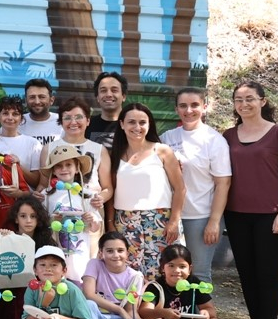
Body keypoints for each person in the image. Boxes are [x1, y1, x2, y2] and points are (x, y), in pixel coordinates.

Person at [222, 80, 278, 319]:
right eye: (239, 99)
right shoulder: (228, 136)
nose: (244, 104)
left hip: (270, 215)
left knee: (266, 274)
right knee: (247, 274)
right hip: (237, 214)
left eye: (250, 98)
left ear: (262, 101)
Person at [100, 103, 185, 281]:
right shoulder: (115, 155)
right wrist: (110, 223)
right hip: (126, 222)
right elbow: (112, 192)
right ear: (122, 124)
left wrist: (174, 220)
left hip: (160, 221)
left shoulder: (162, 151)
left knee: (166, 271)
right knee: (131, 274)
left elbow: (180, 188)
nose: (137, 127)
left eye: (142, 122)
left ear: (149, 124)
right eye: (131, 122)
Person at [162, 88, 232, 281]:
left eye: (194, 105)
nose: (189, 110)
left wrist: (214, 221)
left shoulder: (214, 140)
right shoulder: (167, 137)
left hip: (200, 217)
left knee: (198, 274)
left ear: (204, 107)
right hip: (170, 216)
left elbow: (223, 183)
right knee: (170, 273)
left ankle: (203, 303)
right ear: (176, 109)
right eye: (183, 106)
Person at [140, 243, 225, 319]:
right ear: (162, 267)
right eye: (171, 265)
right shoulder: (155, 287)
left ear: (189, 269)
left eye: (182, 266)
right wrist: (163, 312)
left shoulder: (194, 284)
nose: (177, 271)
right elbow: (144, 312)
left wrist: (206, 313)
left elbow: (210, 309)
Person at [80, 232, 151, 319]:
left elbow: (130, 309)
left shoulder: (135, 276)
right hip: (95, 315)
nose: (115, 255)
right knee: (89, 304)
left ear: (127, 253)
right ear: (101, 253)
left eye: (120, 250)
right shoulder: (95, 264)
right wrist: (118, 309)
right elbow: (89, 294)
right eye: (109, 251)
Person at [41, 142, 97, 279]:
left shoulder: (87, 195)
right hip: (55, 252)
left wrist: (91, 220)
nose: (64, 169)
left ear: (77, 168)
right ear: (53, 171)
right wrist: (52, 220)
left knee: (78, 283)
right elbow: (41, 225)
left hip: (80, 255)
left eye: (68, 165)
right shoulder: (46, 195)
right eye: (59, 166)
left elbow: (95, 228)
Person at [0, 97, 43, 184]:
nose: (10, 118)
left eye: (15, 114)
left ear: (21, 119)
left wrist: (18, 166)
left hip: (24, 193)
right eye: (5, 113)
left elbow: (36, 181)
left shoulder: (33, 144)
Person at [87, 72, 127, 146]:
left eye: (114, 90)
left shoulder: (132, 124)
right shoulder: (87, 125)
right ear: (97, 97)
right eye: (103, 91)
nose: (108, 94)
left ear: (123, 96)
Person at [21, 79, 62, 147]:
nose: (37, 102)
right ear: (26, 100)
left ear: (51, 100)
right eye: (32, 97)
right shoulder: (17, 123)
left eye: (42, 97)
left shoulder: (62, 122)